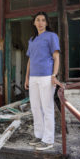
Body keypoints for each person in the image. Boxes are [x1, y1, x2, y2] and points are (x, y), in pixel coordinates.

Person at [25, 11, 60, 151]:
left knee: (47, 108)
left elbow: (56, 57)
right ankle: (39, 135)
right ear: (34, 22)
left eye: (43, 20)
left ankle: (48, 139)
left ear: (46, 23)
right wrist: (26, 77)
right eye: (38, 20)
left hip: (46, 76)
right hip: (33, 77)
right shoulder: (31, 40)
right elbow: (29, 60)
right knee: (35, 108)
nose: (40, 22)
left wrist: (54, 75)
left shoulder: (51, 36)